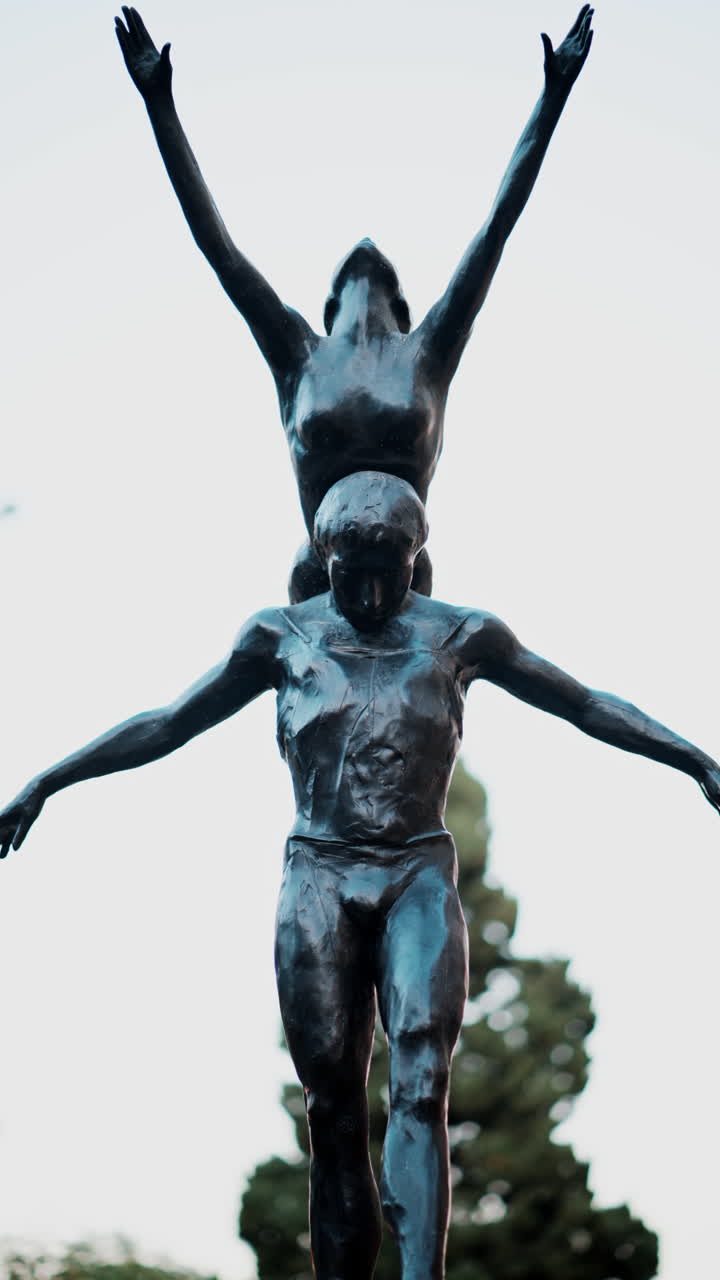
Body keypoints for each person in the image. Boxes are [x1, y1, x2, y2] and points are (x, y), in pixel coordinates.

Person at [1, 472, 718, 1280]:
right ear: (324, 557)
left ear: (417, 561)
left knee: (421, 1071)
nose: (373, 593)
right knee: (332, 1107)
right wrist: (46, 784)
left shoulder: (462, 635)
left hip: (416, 868)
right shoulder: (278, 637)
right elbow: (167, 722)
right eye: (354, 574)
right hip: (320, 875)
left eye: (393, 573)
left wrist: (693, 759)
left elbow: (584, 702)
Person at [114, 5, 595, 602]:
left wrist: (553, 97)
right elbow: (221, 251)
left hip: (404, 573)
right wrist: (159, 105)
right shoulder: (298, 354)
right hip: (321, 575)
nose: (366, 246)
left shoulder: (429, 352)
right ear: (326, 305)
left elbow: (497, 226)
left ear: (403, 305)